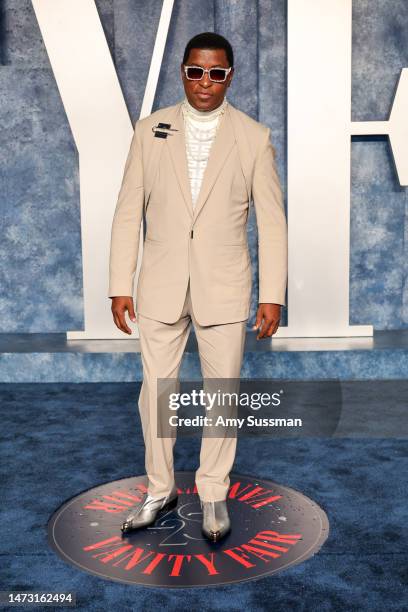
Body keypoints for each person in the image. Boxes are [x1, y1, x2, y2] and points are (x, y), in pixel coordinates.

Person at [108, 32, 288, 542]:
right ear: (182, 72)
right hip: (160, 284)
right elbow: (128, 212)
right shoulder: (150, 130)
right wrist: (120, 282)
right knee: (156, 394)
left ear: (229, 76)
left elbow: (272, 223)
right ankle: (159, 489)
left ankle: (212, 494)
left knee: (222, 395)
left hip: (225, 287)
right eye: (195, 71)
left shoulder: (254, 136)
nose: (204, 81)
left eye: (215, 73)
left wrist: (272, 295)